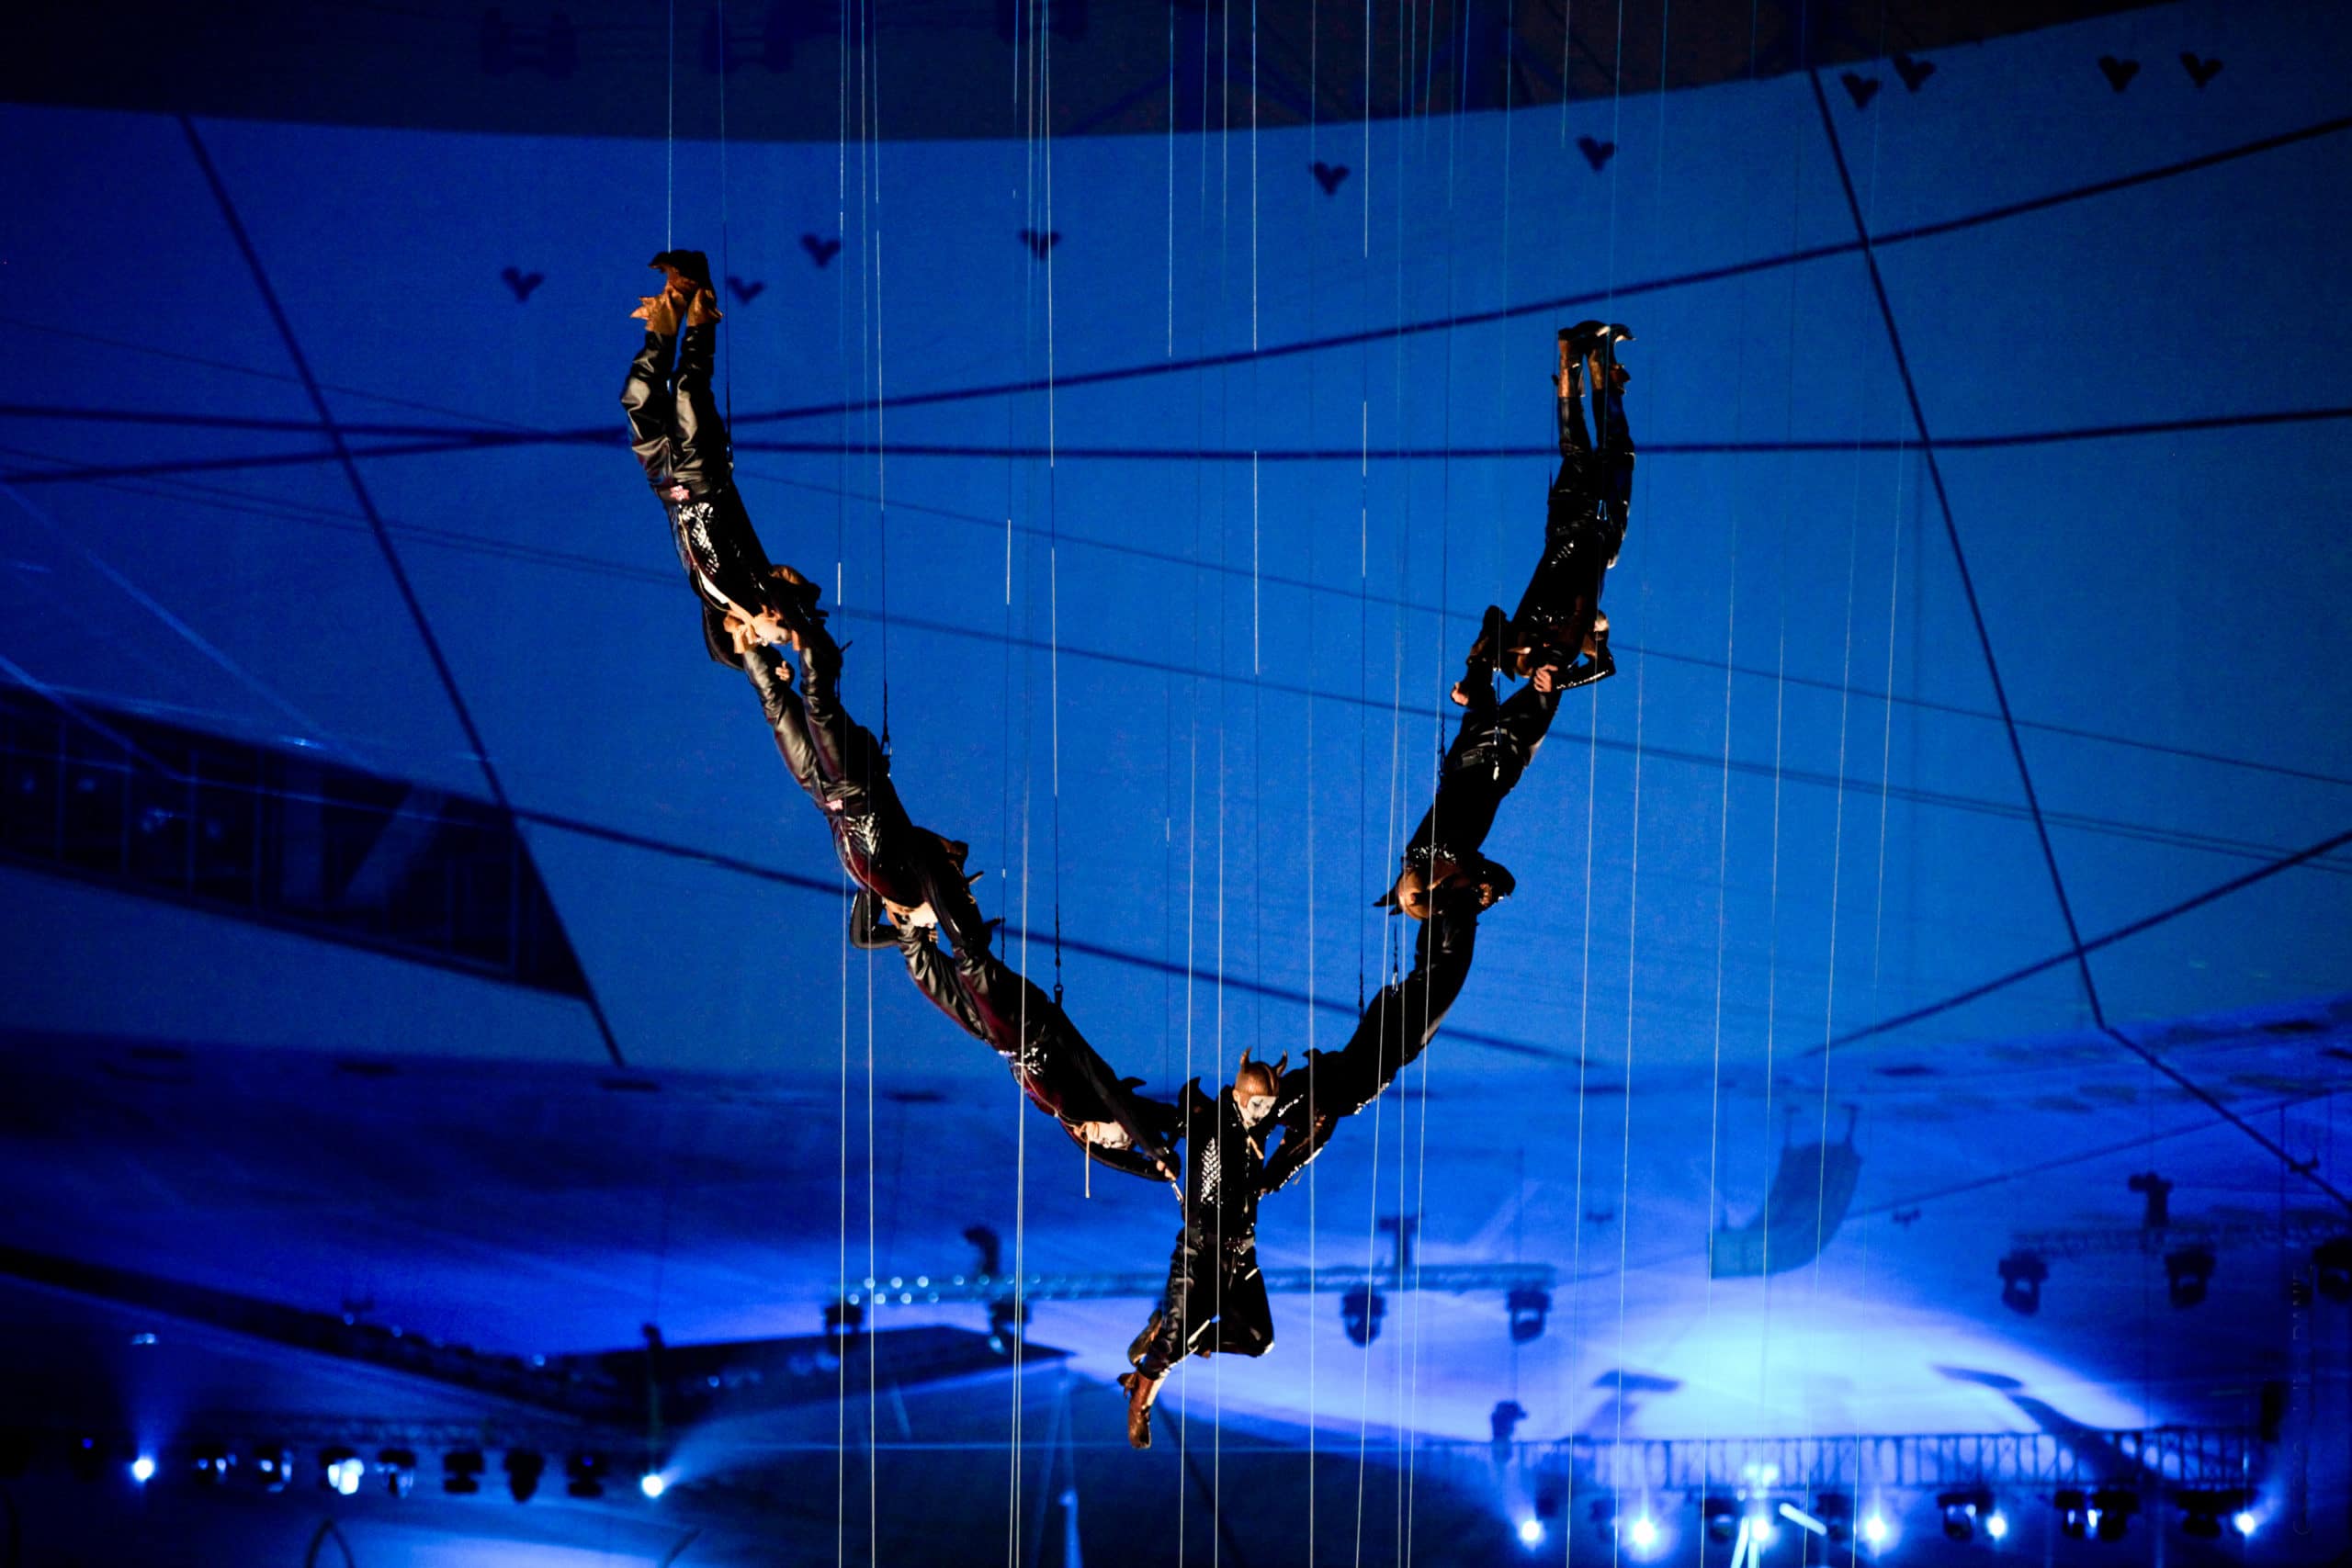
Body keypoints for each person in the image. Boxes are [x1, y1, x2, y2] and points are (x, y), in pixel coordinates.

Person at [857, 899, 1182, 1185]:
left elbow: (1101, 1155)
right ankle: (947, 900)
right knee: (970, 962)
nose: (1102, 1144)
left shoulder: (1071, 1124)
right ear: (1121, 1122)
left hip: (999, 1037)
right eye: (1117, 1139)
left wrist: (1147, 1166)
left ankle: (904, 910)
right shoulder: (1097, 1093)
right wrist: (1156, 1151)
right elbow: (1121, 1104)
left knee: (921, 968)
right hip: (1025, 1021)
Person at [739, 615, 991, 962]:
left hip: (834, 791)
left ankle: (770, 628)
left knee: (795, 703)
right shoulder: (903, 871)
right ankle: (780, 631)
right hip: (843, 784)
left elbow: (864, 935)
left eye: (954, 850)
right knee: (801, 703)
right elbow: (867, 933)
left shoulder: (911, 878)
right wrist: (915, 927)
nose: (948, 841)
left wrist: (917, 929)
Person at [620, 248, 816, 668]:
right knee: (689, 391)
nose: (757, 631)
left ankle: (676, 294)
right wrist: (788, 628)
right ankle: (698, 291)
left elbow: (721, 644)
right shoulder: (759, 586)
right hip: (705, 477)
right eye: (766, 634)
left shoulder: (712, 597)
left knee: (638, 397)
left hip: (667, 483)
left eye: (761, 636)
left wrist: (753, 640)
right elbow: (787, 591)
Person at [1259, 878, 1487, 1192]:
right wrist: (1269, 1173)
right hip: (1391, 1029)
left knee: (1446, 969)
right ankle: (1441, 899)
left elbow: (1298, 1146)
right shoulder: (1317, 1103)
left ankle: (1455, 894)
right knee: (1434, 970)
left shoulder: (1320, 1103)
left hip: (1397, 1033)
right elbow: (1295, 1149)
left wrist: (1268, 1175)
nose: (1285, 1137)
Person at [1455, 321, 1634, 703]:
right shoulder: (1536, 636)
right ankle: (1581, 354)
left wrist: (1482, 673)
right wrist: (1478, 674)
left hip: (1592, 526)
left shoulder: (1557, 640)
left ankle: (1592, 356)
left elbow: (1603, 663)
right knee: (1578, 447)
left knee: (1614, 449)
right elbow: (1493, 617)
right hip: (1565, 523)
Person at [1118, 1050, 1285, 1450]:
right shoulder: (1206, 1119)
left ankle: (1181, 1339)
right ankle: (1139, 1395)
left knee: (1259, 1339)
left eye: (1269, 1106)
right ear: (1241, 1095)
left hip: (1242, 1256)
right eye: (1258, 1103)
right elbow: (1160, 1118)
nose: (1263, 1113)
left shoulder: (1255, 1126)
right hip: (1199, 1252)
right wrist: (1121, 1109)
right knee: (1169, 1351)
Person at [1385, 659, 1555, 919]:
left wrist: (1482, 891)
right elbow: (1504, 881)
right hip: (1490, 747)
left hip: (1491, 747)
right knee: (1543, 676)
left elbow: (1502, 881)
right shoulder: (1438, 856)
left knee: (1529, 673)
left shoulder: (1443, 855)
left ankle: (1510, 646)